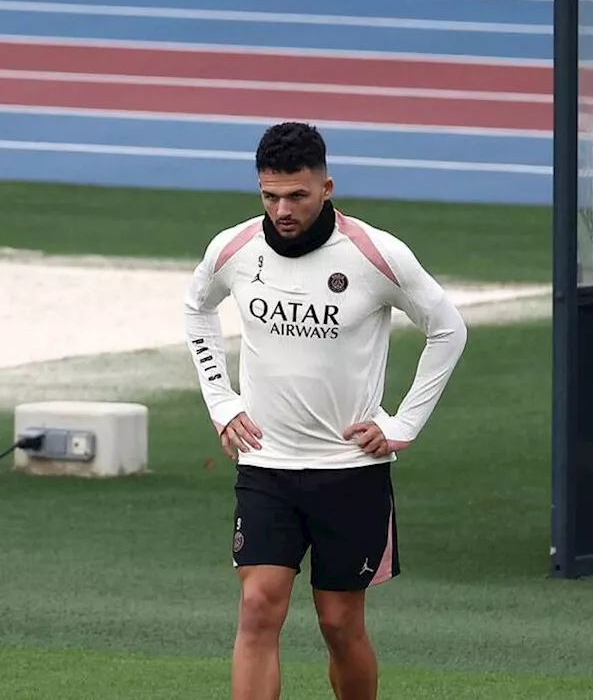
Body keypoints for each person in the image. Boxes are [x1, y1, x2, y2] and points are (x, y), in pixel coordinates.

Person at [183, 122, 467, 700]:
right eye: (270, 195)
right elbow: (196, 311)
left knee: (340, 623)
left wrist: (402, 424)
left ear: (327, 186)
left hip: (350, 470)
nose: (282, 209)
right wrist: (221, 401)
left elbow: (448, 329)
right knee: (259, 607)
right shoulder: (233, 249)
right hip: (266, 465)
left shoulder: (375, 254)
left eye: (297, 195)